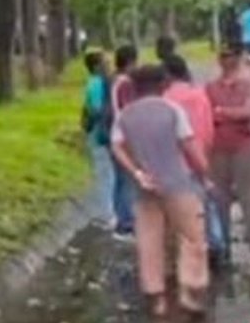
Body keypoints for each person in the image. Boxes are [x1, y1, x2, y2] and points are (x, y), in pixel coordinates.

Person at [111, 65, 210, 316]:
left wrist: (136, 172)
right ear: (162, 85)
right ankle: (189, 290)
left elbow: (117, 146)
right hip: (177, 183)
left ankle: (158, 298)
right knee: (191, 237)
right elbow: (189, 147)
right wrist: (204, 173)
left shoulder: (125, 115)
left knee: (149, 241)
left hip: (145, 188)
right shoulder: (172, 110)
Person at [206, 46, 250, 262]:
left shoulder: (249, 84)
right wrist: (229, 114)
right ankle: (222, 246)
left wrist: (220, 112)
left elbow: (249, 111)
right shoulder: (210, 87)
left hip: (244, 145)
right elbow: (207, 114)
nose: (227, 59)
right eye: (223, 55)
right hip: (218, 146)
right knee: (219, 198)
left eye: (231, 55)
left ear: (238, 58)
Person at [80, 51, 116, 225]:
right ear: (96, 67)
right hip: (99, 134)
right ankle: (107, 213)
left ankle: (110, 211)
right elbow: (95, 109)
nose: (109, 65)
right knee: (105, 173)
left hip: (101, 132)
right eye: (105, 62)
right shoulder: (96, 84)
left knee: (108, 172)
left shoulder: (99, 82)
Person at [110, 44, 141, 239]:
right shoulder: (125, 84)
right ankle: (126, 222)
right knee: (127, 179)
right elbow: (128, 110)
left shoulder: (115, 81)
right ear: (130, 61)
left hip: (117, 133)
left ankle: (122, 218)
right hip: (125, 135)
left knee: (121, 180)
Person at [162, 54, 214, 158]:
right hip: (200, 152)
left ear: (167, 75)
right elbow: (209, 128)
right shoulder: (199, 93)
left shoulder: (165, 98)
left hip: (177, 156)